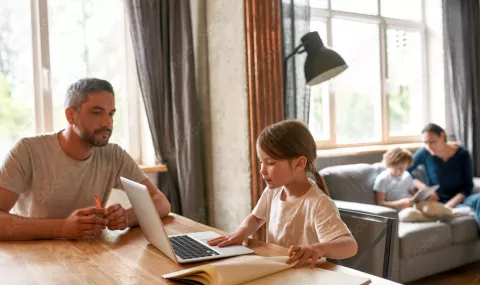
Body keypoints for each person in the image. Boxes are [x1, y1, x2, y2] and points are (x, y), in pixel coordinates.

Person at [0, 78, 171, 241]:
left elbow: (161, 202)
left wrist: (126, 217)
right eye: (97, 113)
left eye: (111, 114)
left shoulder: (114, 155)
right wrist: (61, 228)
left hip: (88, 256)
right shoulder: (27, 150)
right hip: (31, 259)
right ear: (71, 115)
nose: (107, 123)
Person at [208, 120, 358, 268]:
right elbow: (255, 218)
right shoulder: (273, 191)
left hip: (305, 276)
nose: (262, 170)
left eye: (270, 163)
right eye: (261, 162)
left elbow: (350, 245)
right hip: (276, 269)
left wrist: (318, 249)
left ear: (299, 163)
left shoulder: (318, 203)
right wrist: (242, 231)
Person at [408, 123, 480, 229]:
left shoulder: (463, 154)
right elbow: (404, 170)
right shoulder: (424, 153)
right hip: (438, 201)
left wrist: (448, 206)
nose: (429, 146)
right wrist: (424, 188)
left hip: (461, 200)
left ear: (442, 136)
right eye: (425, 143)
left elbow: (468, 186)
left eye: (432, 142)